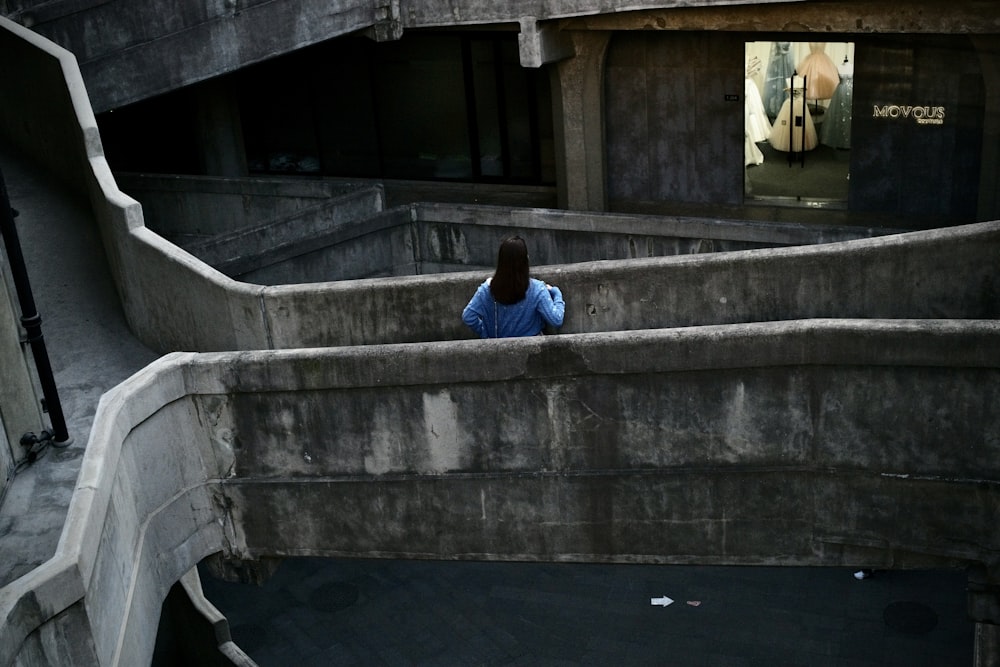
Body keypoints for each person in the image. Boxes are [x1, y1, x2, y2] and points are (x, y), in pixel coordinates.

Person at [462, 236, 565, 338]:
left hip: (497, 347)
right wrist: (557, 293)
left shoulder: (486, 290)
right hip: (531, 348)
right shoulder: (537, 289)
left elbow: (468, 316)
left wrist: (485, 334)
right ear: (526, 260)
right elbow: (556, 319)